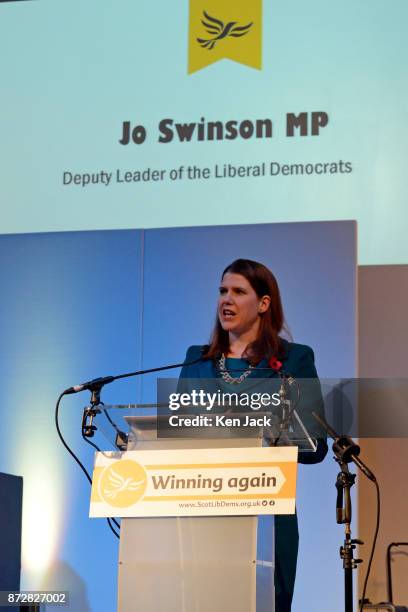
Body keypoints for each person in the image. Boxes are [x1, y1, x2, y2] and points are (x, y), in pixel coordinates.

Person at [179, 258, 328, 612]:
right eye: (222, 291)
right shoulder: (196, 361)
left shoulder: (293, 360)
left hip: (267, 515)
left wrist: (259, 428)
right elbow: (177, 433)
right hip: (201, 509)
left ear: (263, 304)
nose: (225, 300)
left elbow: (316, 445)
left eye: (238, 292)